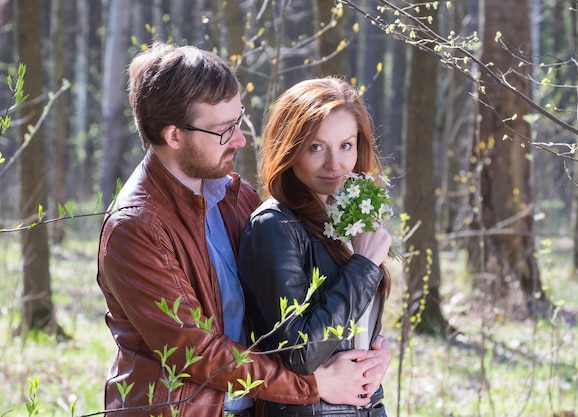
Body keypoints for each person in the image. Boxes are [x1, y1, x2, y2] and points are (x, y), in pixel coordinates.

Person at [96, 43, 390, 417]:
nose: (239, 139)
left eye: (239, 122)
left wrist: (373, 349)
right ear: (174, 136)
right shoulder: (135, 228)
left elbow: (277, 314)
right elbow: (197, 353)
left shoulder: (235, 196)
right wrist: (313, 385)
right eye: (224, 130)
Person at [237, 77, 393, 417]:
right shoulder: (274, 226)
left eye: (345, 146)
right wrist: (365, 265)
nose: (334, 164)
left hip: (365, 407)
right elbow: (300, 352)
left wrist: (380, 351)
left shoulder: (348, 216)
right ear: (289, 148)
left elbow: (355, 325)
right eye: (316, 147)